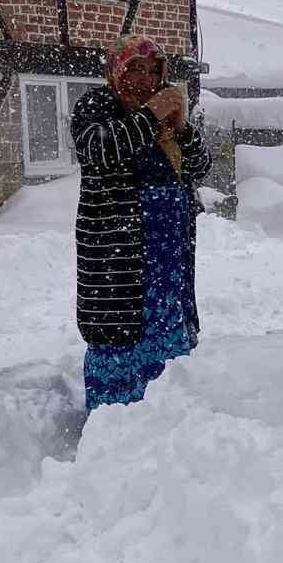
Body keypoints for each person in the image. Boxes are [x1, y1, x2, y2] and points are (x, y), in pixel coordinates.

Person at [71, 35, 212, 411]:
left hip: (167, 251)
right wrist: (150, 115)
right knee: (120, 332)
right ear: (116, 70)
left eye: (153, 71)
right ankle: (113, 423)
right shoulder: (97, 106)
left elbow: (200, 166)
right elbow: (99, 150)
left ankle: (162, 417)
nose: (146, 79)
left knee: (165, 327)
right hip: (119, 253)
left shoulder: (163, 118)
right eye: (135, 69)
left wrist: (181, 128)